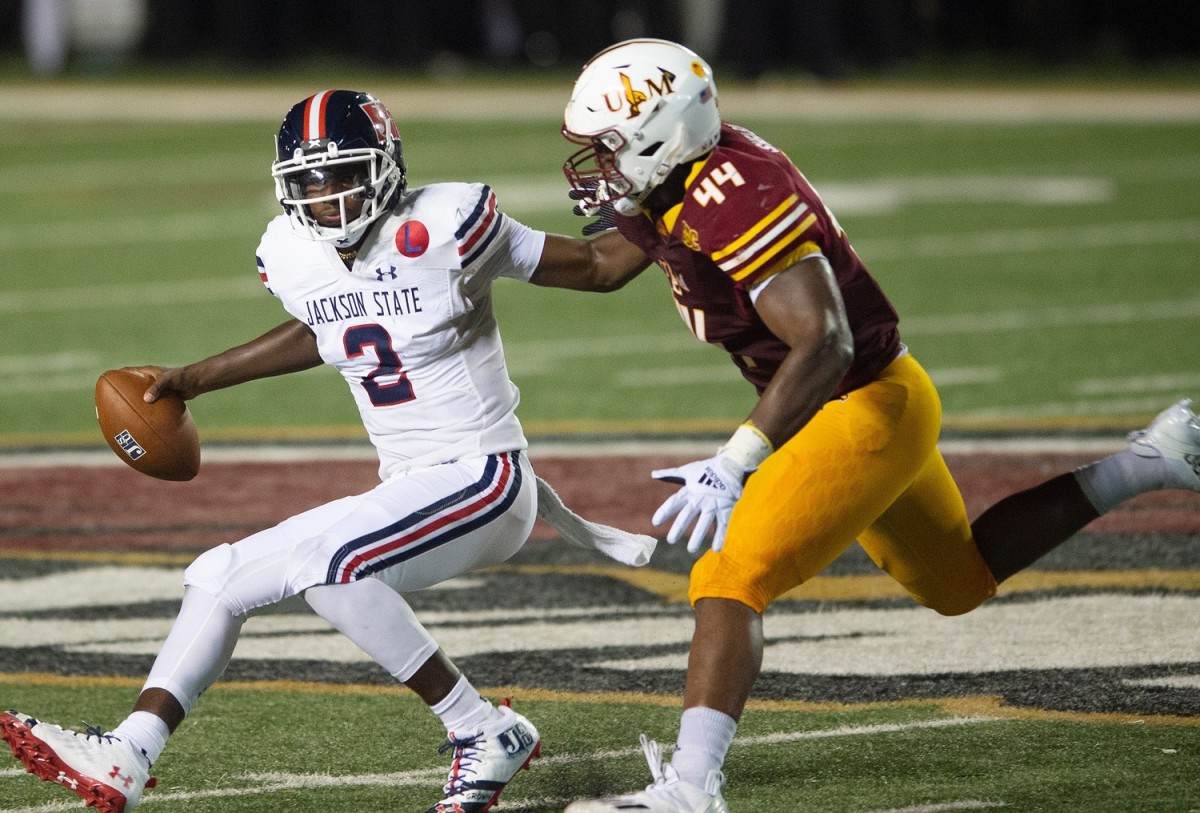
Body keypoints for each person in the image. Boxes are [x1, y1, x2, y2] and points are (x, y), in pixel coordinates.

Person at [526, 38, 1200, 812]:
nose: (598, 164)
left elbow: (826, 340)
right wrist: (483, 249)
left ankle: (688, 790)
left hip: (865, 405)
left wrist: (737, 457)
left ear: (660, 133)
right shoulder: (679, 182)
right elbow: (605, 264)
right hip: (876, 398)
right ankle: (1156, 459)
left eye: (608, 145)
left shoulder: (733, 191)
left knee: (728, 575)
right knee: (959, 580)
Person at [0, 89, 656, 813]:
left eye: (343, 174)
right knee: (219, 575)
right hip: (409, 482)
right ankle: (130, 748)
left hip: (484, 477)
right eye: (308, 182)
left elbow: (598, 266)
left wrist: (672, 214)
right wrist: (194, 378)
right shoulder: (292, 255)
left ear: (385, 169)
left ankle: (482, 729)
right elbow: (327, 326)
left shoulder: (448, 226)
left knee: (332, 566)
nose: (326, 196)